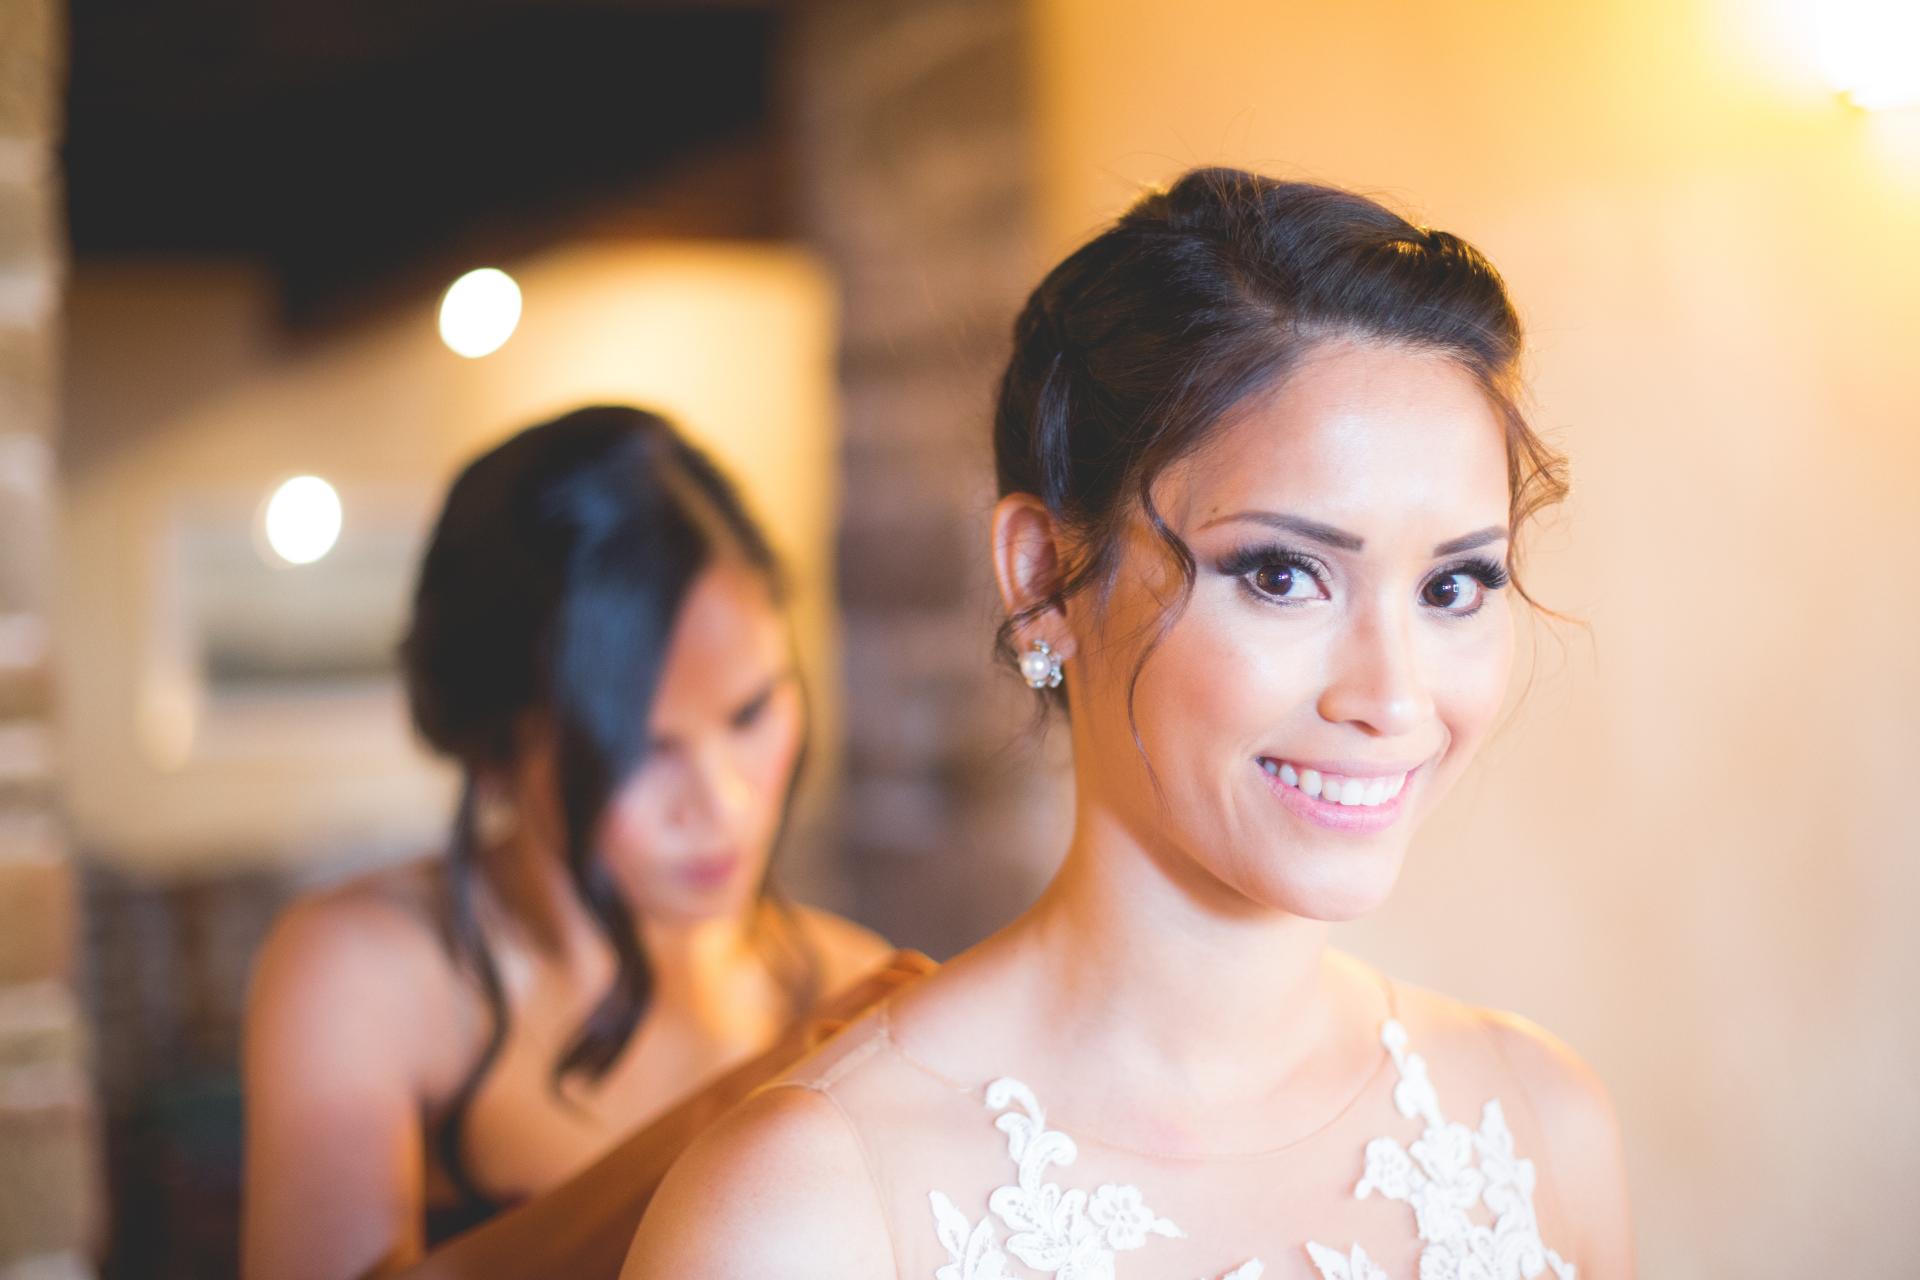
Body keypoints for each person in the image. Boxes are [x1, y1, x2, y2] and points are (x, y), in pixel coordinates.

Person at [624, 168, 1635, 1279]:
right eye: (1285, 573)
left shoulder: (1541, 1128)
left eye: (1453, 587)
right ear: (1046, 577)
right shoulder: (810, 1205)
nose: (1392, 698)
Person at [242, 406, 892, 1280]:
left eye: (750, 713)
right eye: (639, 752)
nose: (724, 802)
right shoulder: (365, 970)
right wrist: (762, 1098)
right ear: (496, 751)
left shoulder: (847, 981)